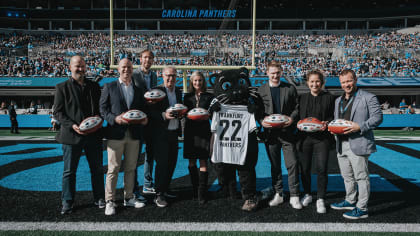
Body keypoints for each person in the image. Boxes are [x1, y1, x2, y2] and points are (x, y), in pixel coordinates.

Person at [54, 55, 105, 214]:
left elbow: (100, 109)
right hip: (72, 135)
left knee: (97, 169)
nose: (81, 69)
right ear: (70, 67)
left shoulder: (94, 86)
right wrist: (73, 126)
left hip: (93, 135)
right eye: (77, 66)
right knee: (69, 171)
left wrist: (99, 119)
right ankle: (67, 201)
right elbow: (58, 112)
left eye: (83, 66)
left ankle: (99, 197)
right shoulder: (61, 87)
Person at [330, 69, 383, 219]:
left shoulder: (368, 97)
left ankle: (362, 208)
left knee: (361, 176)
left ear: (355, 79)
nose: (346, 84)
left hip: (358, 142)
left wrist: (360, 126)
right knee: (347, 176)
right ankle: (350, 200)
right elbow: (337, 121)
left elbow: (378, 117)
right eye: (343, 82)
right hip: (341, 143)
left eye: (349, 81)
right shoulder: (338, 101)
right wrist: (333, 129)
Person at [100, 58, 149, 216]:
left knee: (130, 168)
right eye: (123, 67)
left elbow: (142, 109)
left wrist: (144, 118)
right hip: (116, 133)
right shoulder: (109, 86)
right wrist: (114, 119)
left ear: (132, 69)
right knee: (113, 168)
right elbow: (103, 109)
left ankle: (128, 197)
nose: (126, 70)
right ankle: (110, 200)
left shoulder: (138, 89)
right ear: (118, 69)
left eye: (129, 67)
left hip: (134, 134)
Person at [257, 61, 302, 209]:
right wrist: (261, 121)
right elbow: (258, 110)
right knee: (275, 165)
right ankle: (279, 193)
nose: (275, 75)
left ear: (281, 72)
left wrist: (292, 118)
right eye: (272, 73)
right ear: (267, 73)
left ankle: (295, 195)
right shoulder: (261, 90)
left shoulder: (289, 88)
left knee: (292, 163)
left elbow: (297, 107)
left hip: (287, 132)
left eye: (278, 72)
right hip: (270, 134)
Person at [296, 70, 335, 214]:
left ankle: (320, 198)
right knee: (304, 169)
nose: (314, 84)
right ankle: (307, 194)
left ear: (322, 82)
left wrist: (328, 122)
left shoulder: (329, 97)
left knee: (322, 169)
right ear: (307, 83)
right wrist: (297, 122)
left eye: (317, 81)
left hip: (322, 139)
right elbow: (297, 116)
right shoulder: (302, 98)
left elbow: (333, 116)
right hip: (304, 138)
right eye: (312, 81)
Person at [148, 66, 183, 208]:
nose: (171, 78)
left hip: (174, 132)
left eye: (173, 76)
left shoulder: (178, 91)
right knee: (162, 164)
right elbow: (150, 112)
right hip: (161, 133)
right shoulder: (156, 91)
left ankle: (166, 188)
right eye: (168, 75)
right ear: (162, 76)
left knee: (171, 163)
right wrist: (164, 115)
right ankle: (158, 194)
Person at [183, 71, 214, 204]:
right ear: (191, 81)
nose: (197, 83)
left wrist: (209, 115)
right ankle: (194, 190)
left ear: (203, 81)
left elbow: (213, 115)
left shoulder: (209, 96)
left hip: (203, 131)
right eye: (195, 80)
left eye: (200, 80)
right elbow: (184, 114)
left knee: (203, 162)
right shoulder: (187, 97)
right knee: (191, 162)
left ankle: (202, 192)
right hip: (190, 132)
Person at [132, 49, 158, 196]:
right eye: (145, 58)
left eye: (150, 58)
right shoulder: (134, 74)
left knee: (150, 153)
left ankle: (147, 183)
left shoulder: (154, 75)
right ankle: (133, 185)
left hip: (151, 119)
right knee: (135, 154)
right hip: (138, 119)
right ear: (140, 59)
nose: (148, 60)